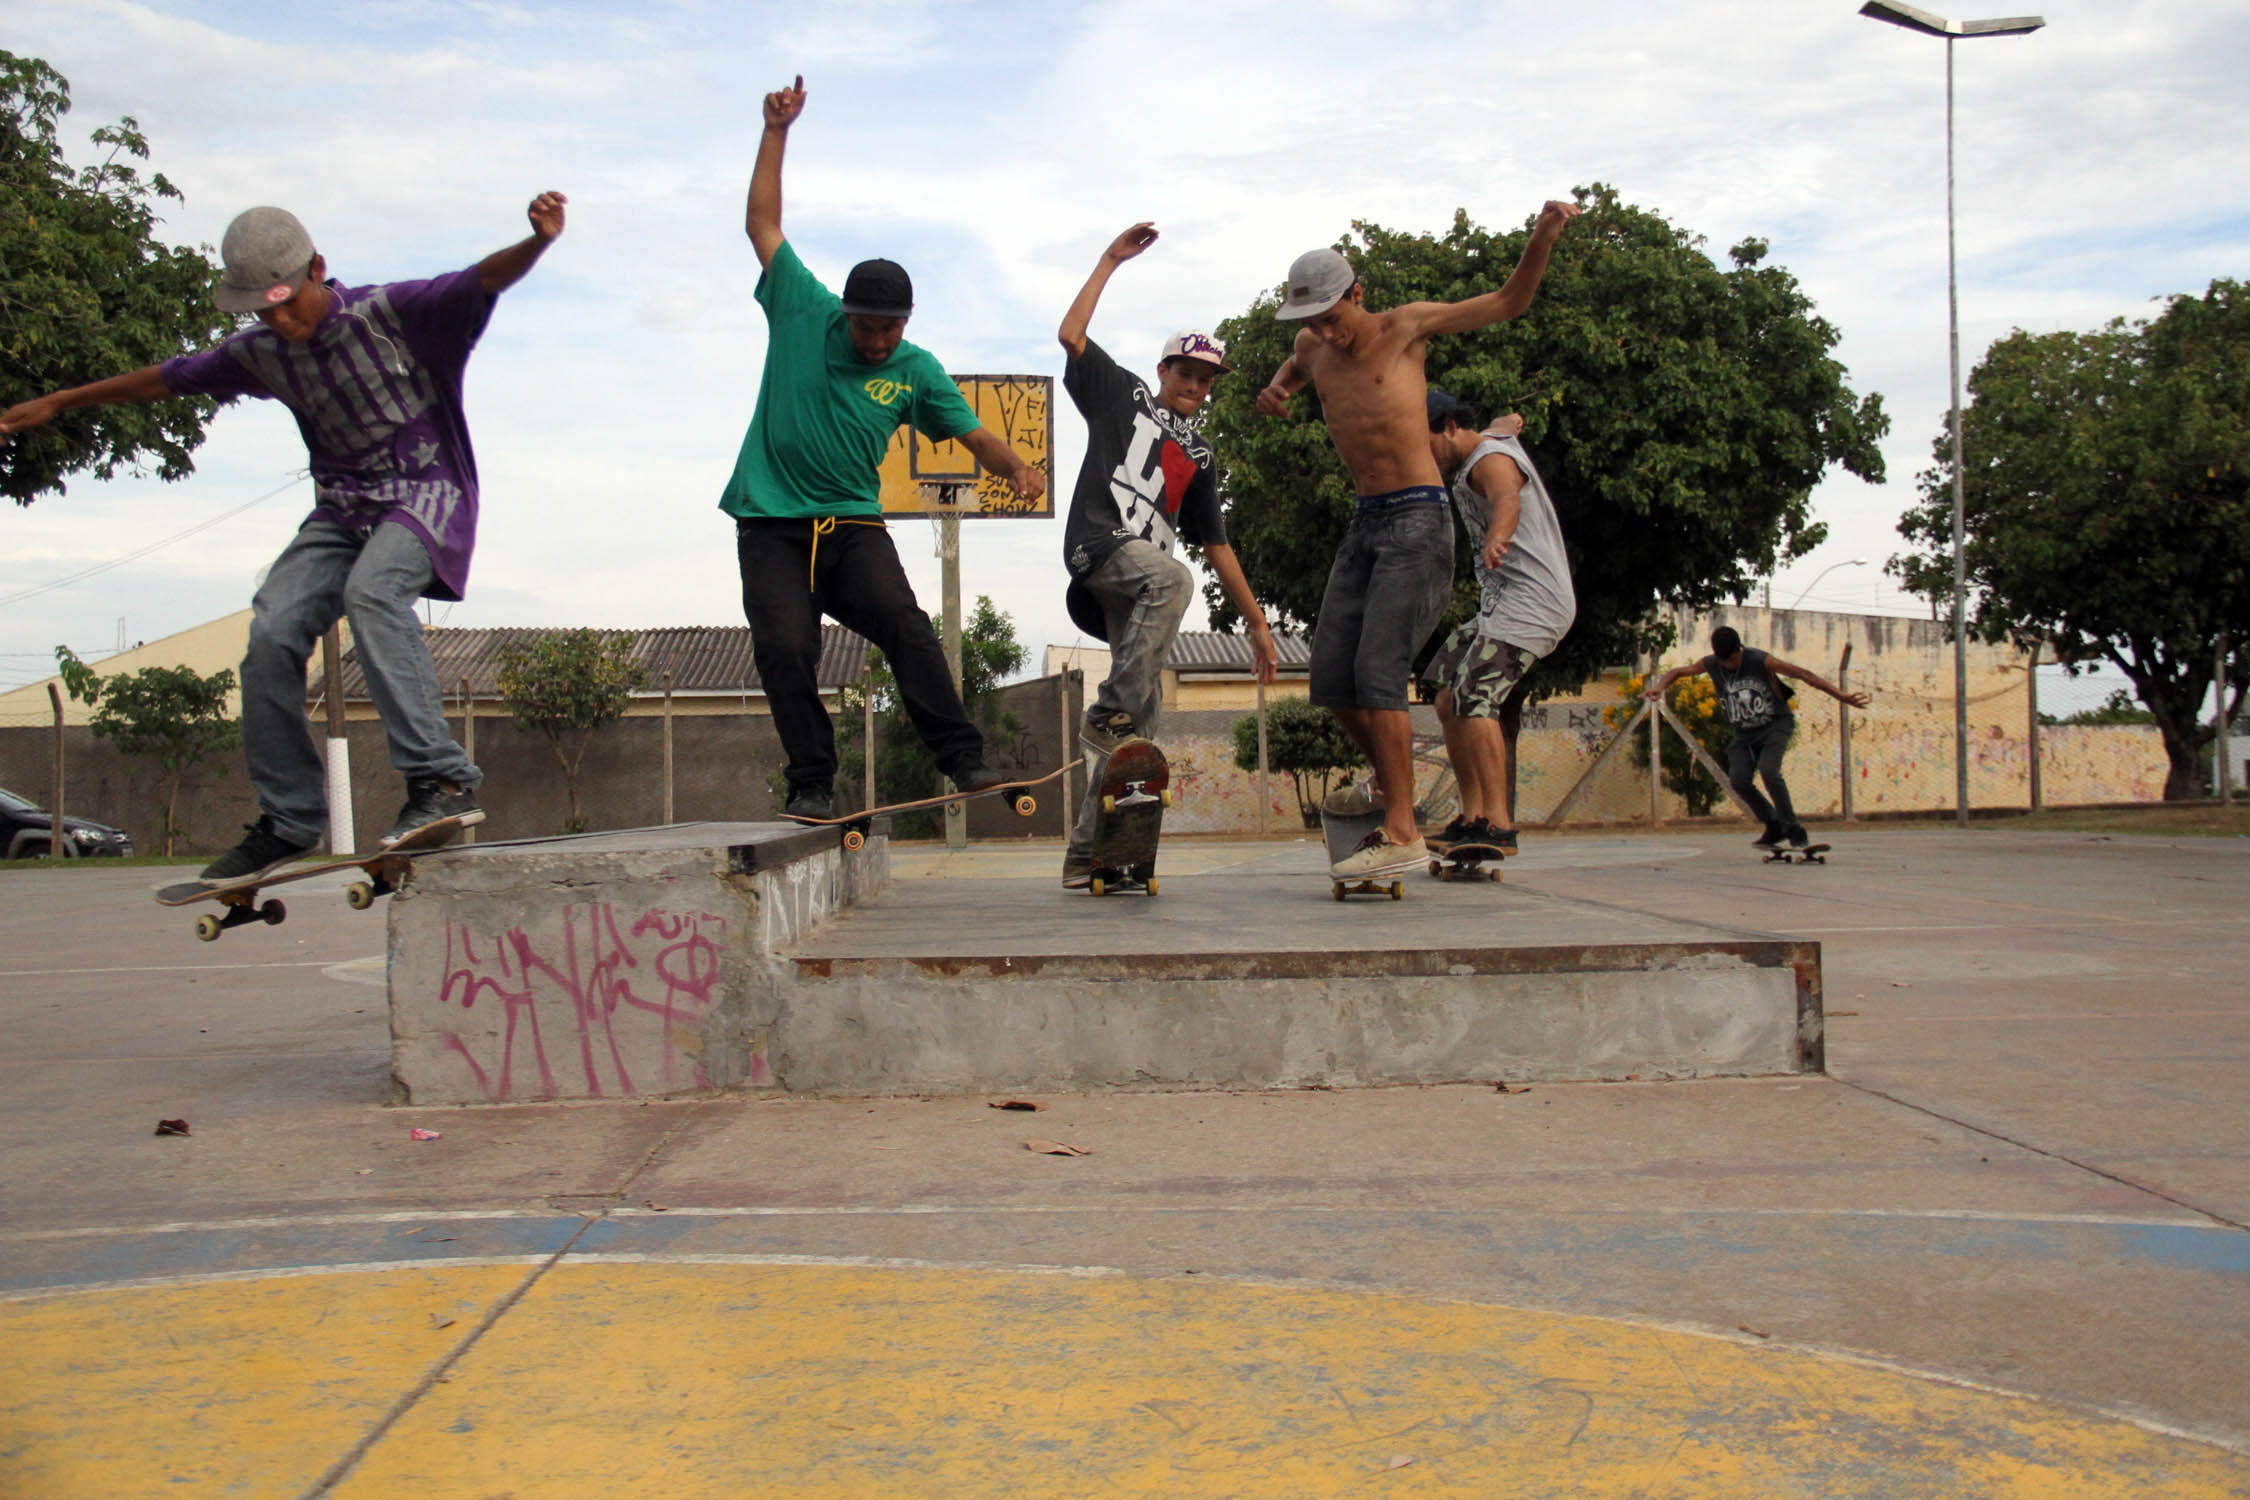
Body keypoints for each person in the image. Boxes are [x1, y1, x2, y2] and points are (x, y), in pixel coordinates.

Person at [0, 192, 569, 880]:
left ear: (317, 269)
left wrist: (536, 241)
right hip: (341, 511)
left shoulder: (397, 314)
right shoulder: (260, 352)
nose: (279, 321)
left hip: (428, 493)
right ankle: (291, 817)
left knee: (372, 594)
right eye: (261, 311)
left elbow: (481, 277)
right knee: (270, 630)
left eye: (285, 302)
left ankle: (440, 782)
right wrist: (61, 401)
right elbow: (166, 380)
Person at [727, 76, 1046, 821]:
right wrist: (776, 131)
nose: (877, 342)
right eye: (867, 328)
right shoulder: (802, 306)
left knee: (906, 626)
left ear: (906, 321)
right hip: (772, 523)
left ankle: (963, 761)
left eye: (889, 330)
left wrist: (1019, 468)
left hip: (851, 527)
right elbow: (762, 225)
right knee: (784, 648)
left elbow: (973, 435)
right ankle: (811, 781)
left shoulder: (917, 367)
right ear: (847, 313)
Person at [1256, 201, 1579, 880]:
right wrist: (1280, 386)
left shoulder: (1406, 328)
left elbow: (1508, 301)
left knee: (1378, 673)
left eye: (1334, 317)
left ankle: (1401, 828)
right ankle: (1390, 785)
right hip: (1364, 520)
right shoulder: (1312, 344)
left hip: (1418, 517)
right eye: (1312, 322)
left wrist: (1543, 236)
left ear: (1359, 295)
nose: (1326, 333)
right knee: (1331, 680)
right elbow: (1295, 364)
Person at [1055, 222, 1278, 888]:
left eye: (1206, 379)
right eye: (1186, 372)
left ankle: (1090, 854)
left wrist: (1258, 623)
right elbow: (1071, 336)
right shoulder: (1121, 394)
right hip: (1099, 548)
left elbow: (1219, 545)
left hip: (1143, 589)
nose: (1195, 385)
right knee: (1172, 579)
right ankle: (1107, 709)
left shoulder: (1203, 457)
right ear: (1164, 371)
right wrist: (1107, 262)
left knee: (1140, 738)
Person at [1423, 389, 1574, 856]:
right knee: (1447, 693)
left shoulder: (1489, 461)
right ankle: (1471, 817)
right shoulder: (1490, 439)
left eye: (1426, 444)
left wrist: (1498, 538)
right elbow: (1504, 423)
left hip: (1534, 602)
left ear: (1449, 427)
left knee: (1475, 697)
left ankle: (1498, 824)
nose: (1426, 459)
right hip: (1501, 604)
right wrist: (1508, 419)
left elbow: (1508, 496)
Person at [1641, 625, 1872, 848]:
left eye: (1732, 660)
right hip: (1743, 733)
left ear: (1740, 649)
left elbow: (1803, 674)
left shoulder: (1760, 659)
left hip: (1775, 725)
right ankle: (1773, 825)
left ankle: (1794, 829)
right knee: (1739, 780)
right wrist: (1661, 687)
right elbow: (1678, 671)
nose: (1729, 666)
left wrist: (1841, 695)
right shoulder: (1712, 663)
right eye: (1724, 662)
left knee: (1769, 770)